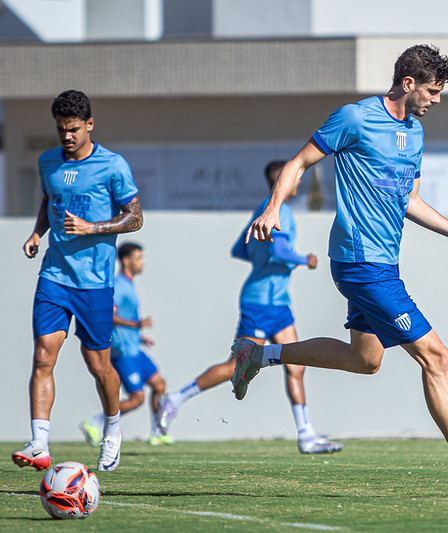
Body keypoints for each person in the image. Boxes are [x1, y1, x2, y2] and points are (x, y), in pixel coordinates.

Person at [233, 44, 448, 497]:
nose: (437, 100)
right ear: (408, 84)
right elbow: (298, 163)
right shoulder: (354, 118)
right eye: (433, 90)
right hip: (360, 262)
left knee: (365, 360)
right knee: (437, 357)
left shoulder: (417, 135)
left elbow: (411, 202)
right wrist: (273, 208)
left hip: (382, 262)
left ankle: (260, 355)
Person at [157, 161, 343, 455]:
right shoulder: (281, 212)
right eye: (295, 177)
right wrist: (303, 259)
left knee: (296, 365)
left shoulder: (263, 208)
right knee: (236, 366)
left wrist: (263, 263)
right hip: (259, 303)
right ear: (283, 180)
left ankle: (306, 434)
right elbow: (280, 251)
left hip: (278, 302)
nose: (298, 182)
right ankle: (175, 399)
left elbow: (239, 248)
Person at [13, 89, 142, 472]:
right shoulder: (47, 161)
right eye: (60, 130)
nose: (66, 137)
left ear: (89, 125)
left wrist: (93, 227)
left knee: (98, 365)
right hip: (54, 276)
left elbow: (135, 217)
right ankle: (39, 443)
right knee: (42, 356)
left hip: (95, 282)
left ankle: (113, 430)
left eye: (73, 129)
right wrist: (38, 233)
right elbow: (49, 198)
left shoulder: (113, 165)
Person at [80, 242, 174, 447]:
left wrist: (139, 336)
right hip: (123, 351)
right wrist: (137, 324)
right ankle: (95, 422)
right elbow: (109, 316)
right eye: (138, 258)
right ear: (126, 260)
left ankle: (158, 431)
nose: (142, 262)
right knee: (137, 398)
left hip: (134, 348)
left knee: (159, 384)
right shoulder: (119, 285)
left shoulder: (130, 284)